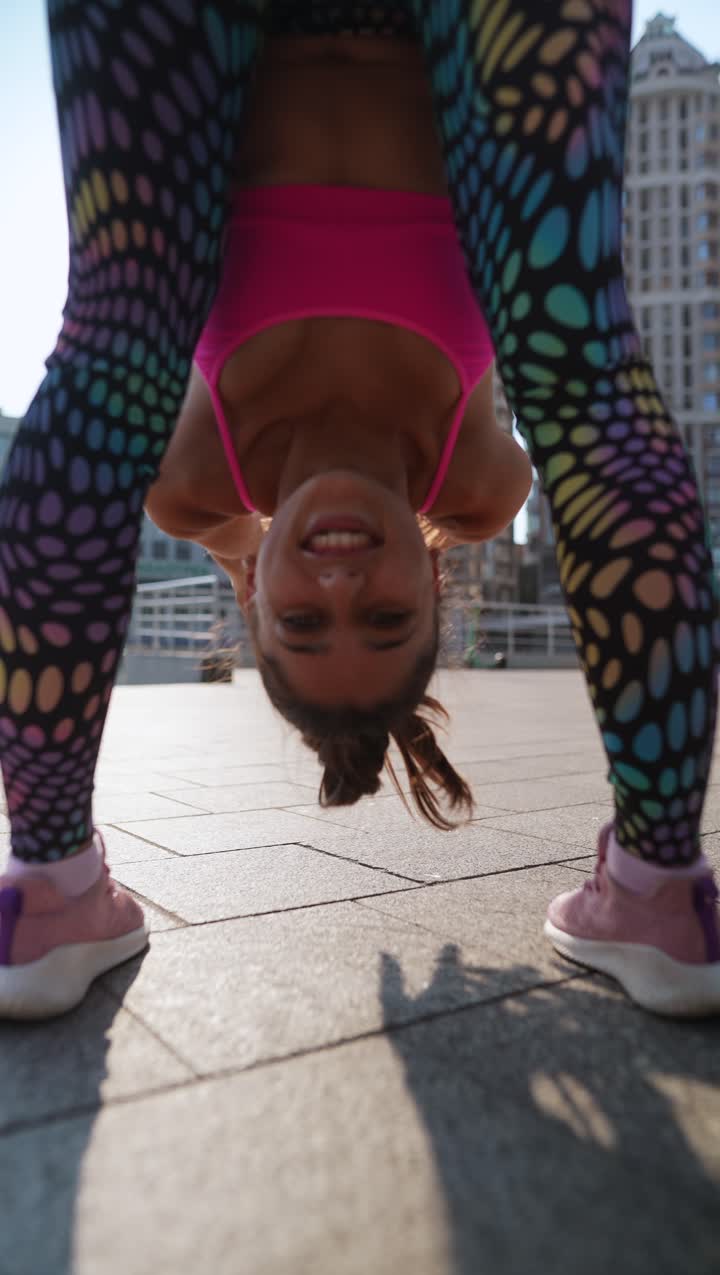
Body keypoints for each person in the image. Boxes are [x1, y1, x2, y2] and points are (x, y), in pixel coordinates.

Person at [1, 1, 718, 1021]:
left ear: (256, 599)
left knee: (117, 333)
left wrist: (243, 542)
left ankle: (49, 890)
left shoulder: (200, 479)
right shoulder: (480, 482)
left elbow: (190, 513)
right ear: (436, 582)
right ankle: (658, 888)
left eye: (304, 620)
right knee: (582, 366)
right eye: (384, 616)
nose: (341, 582)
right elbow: (591, 451)